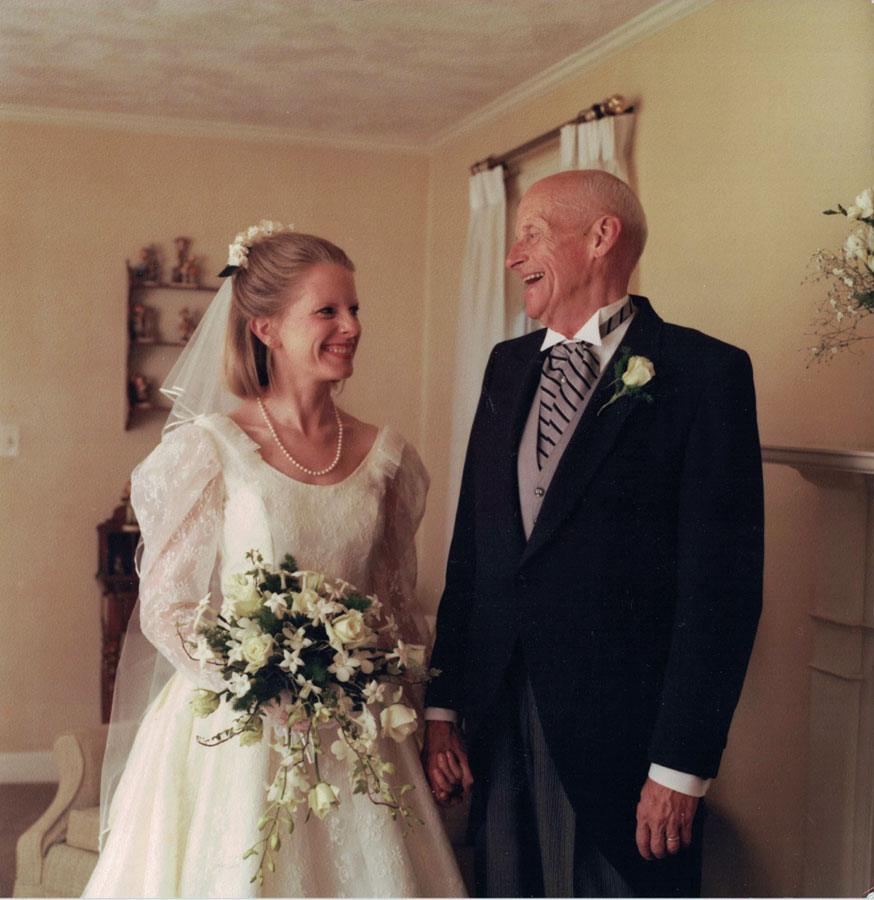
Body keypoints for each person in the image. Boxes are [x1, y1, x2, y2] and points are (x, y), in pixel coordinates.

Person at [85, 224, 467, 898]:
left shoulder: (389, 459)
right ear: (267, 330)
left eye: (354, 309)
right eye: (327, 311)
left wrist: (414, 717)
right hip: (234, 736)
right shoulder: (212, 448)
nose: (350, 325)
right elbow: (169, 607)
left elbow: (397, 610)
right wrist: (257, 683)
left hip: (358, 734)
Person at [422, 170, 763, 898]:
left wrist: (680, 769)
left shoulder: (706, 374)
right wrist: (444, 704)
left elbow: (722, 593)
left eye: (532, 234)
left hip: (627, 745)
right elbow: (474, 548)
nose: (513, 256)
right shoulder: (506, 366)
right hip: (497, 721)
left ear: (602, 237)